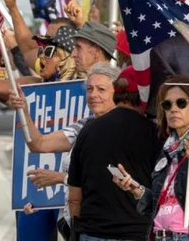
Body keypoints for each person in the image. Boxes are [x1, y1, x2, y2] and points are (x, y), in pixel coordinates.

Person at [8, 62, 121, 239]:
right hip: (76, 226)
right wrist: (24, 111)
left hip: (105, 229)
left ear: (117, 93)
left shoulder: (122, 128)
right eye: (90, 89)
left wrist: (59, 178)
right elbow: (39, 144)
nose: (93, 95)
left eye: (101, 89)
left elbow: (112, 178)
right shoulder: (84, 126)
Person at [114, 75, 189, 241]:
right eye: (167, 104)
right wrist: (135, 189)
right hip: (161, 235)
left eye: (181, 103)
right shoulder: (167, 148)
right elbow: (161, 204)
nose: (173, 109)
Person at [67, 66, 162, 241]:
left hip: (92, 232)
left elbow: (74, 196)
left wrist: (76, 232)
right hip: (137, 232)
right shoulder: (155, 133)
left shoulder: (87, 130)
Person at [0, 24, 84, 101]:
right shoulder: (36, 85)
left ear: (66, 60)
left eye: (49, 52)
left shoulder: (86, 89)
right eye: (41, 50)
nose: (41, 56)